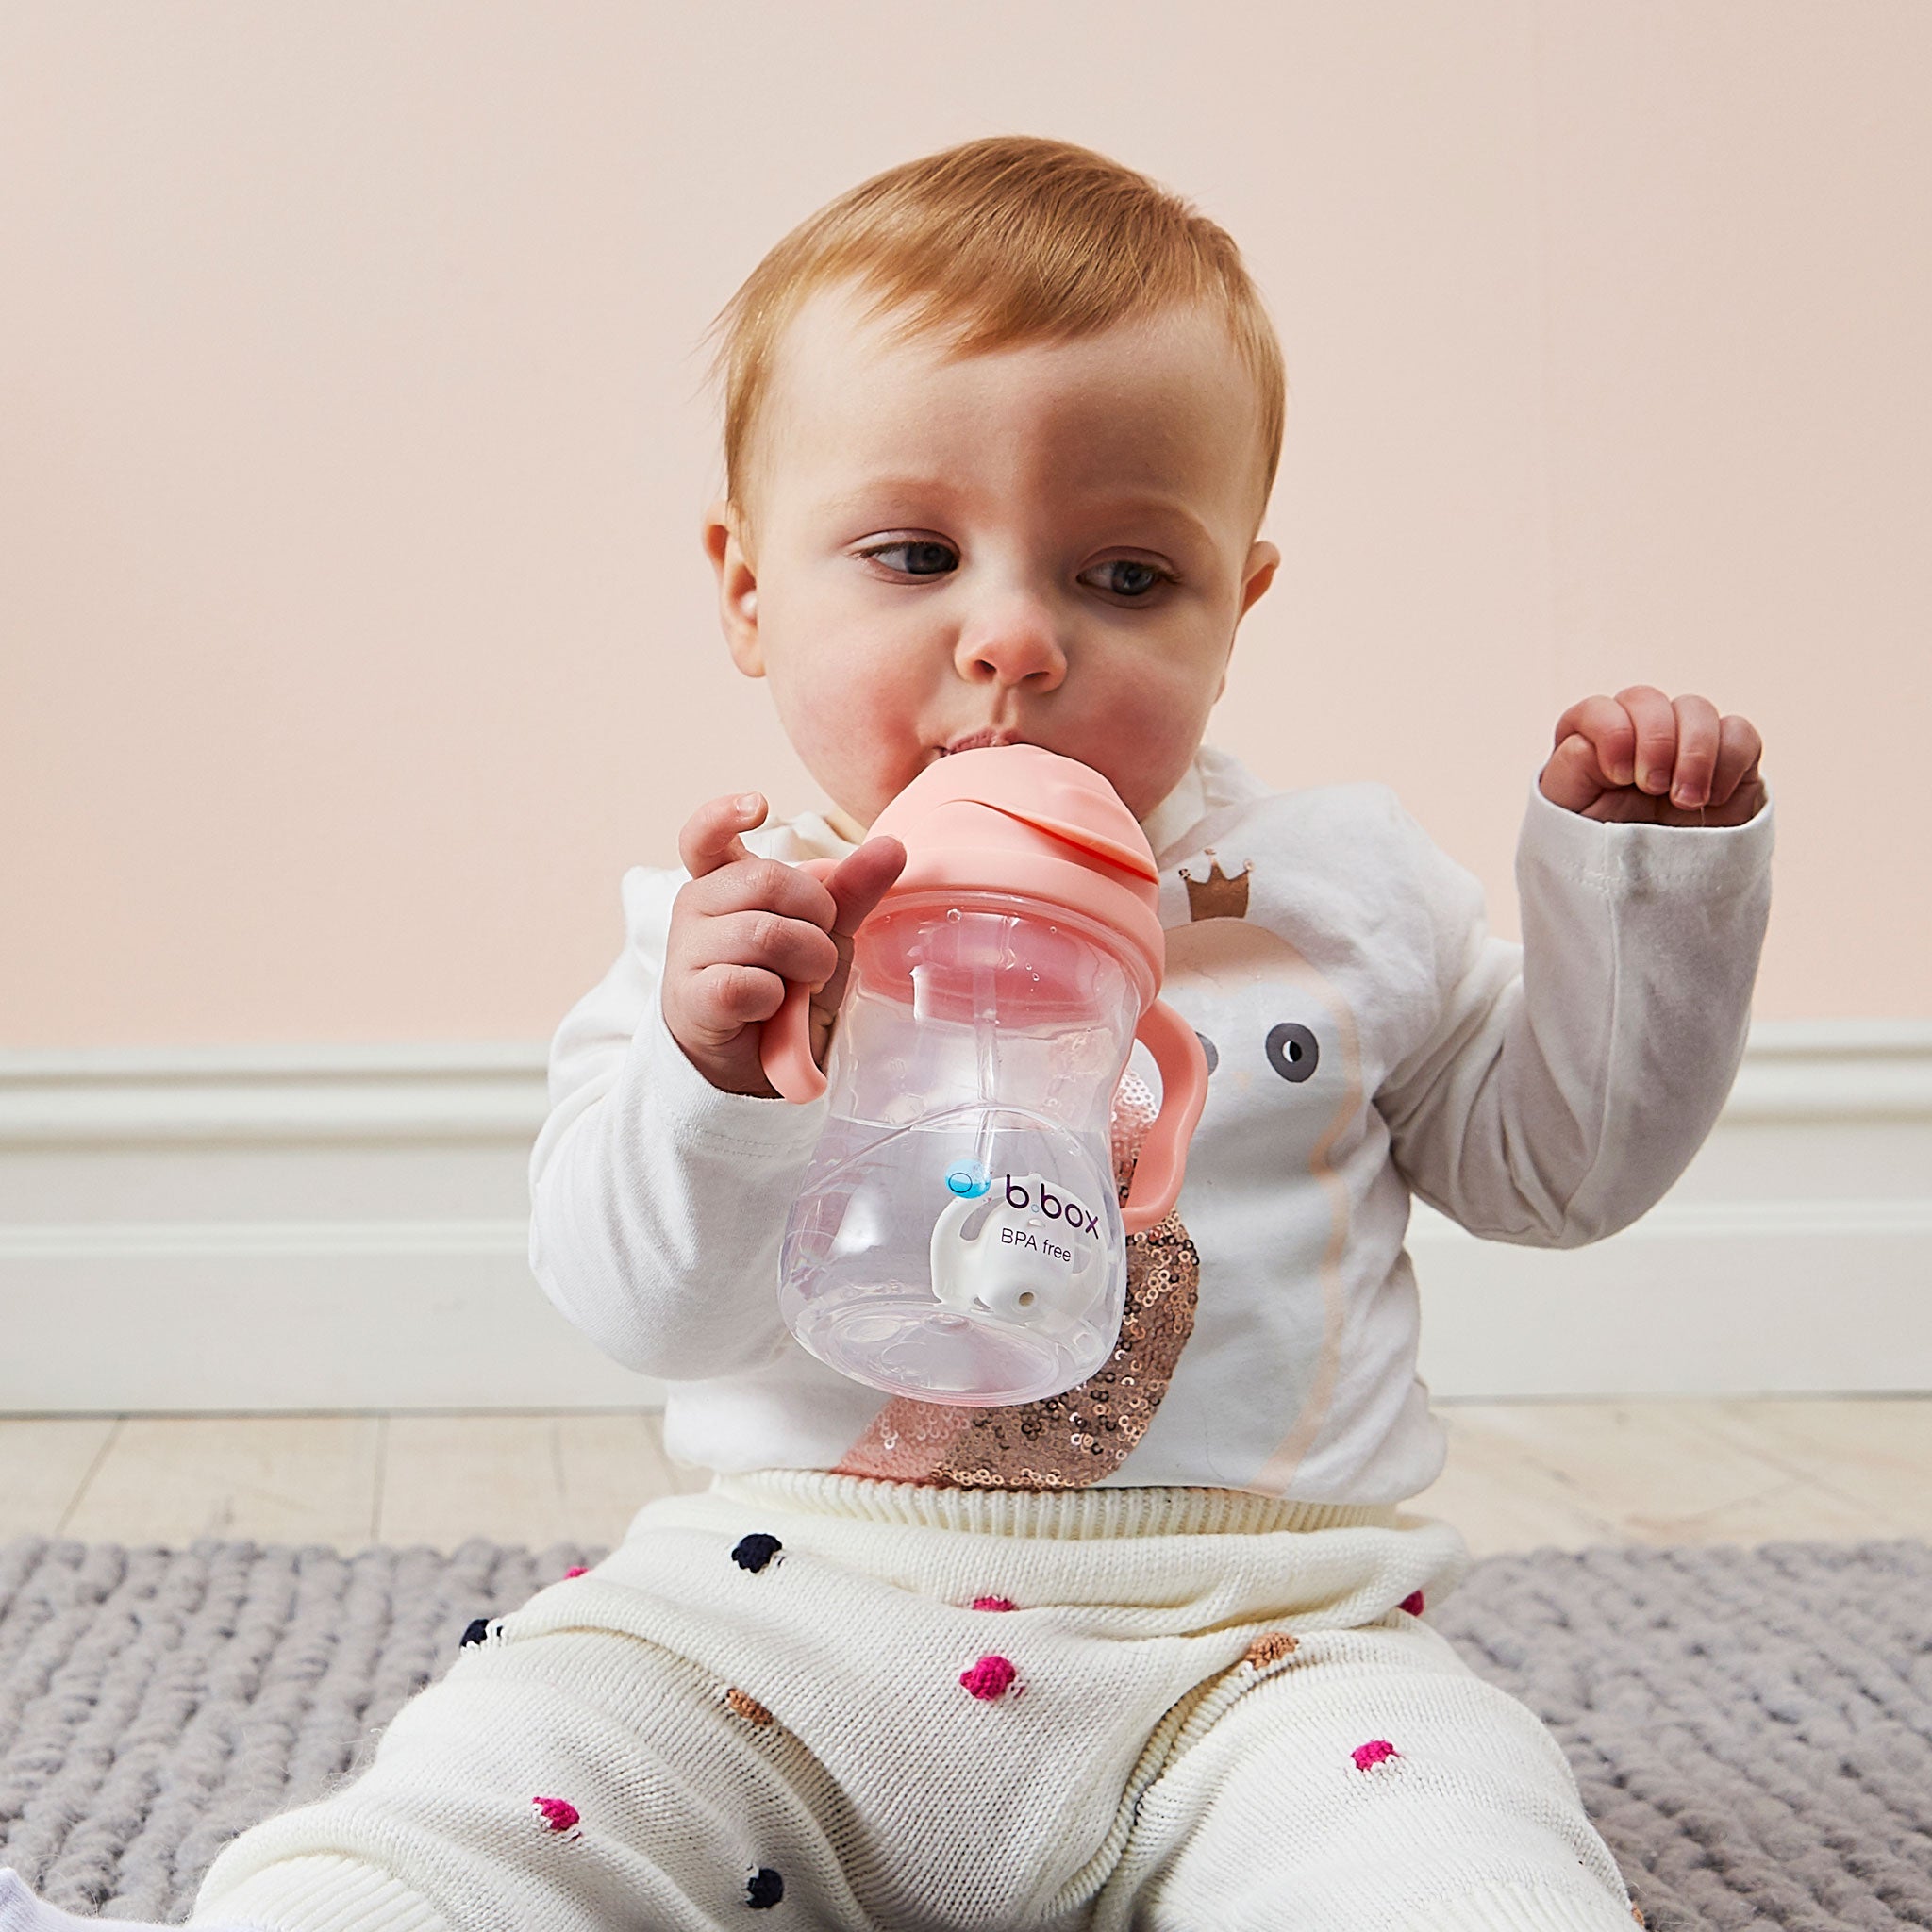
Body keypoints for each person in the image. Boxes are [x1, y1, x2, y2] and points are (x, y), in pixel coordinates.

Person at [4, 134, 1770, 1932]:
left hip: (1263, 1659)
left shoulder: (1338, 895)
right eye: (916, 553)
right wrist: (719, 1074)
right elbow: (644, 1308)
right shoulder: (738, 934)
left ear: (1238, 606)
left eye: (1127, 579)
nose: (1011, 639)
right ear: (751, 591)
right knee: (511, 1770)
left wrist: (1644, 894)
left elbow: (1562, 1176)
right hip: (776, 1630)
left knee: (1460, 1855)